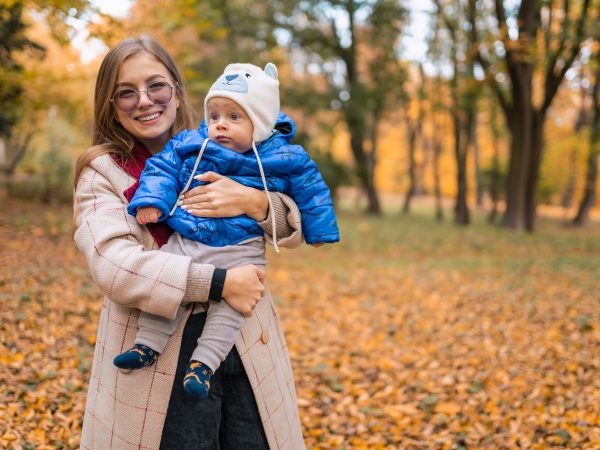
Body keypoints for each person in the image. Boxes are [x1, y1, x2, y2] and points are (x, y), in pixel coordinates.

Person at [73, 36, 306, 449]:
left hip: (246, 348)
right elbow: (115, 266)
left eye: (156, 85)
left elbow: (296, 226)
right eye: (126, 93)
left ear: (177, 93)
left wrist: (254, 202)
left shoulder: (228, 143)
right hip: (160, 359)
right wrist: (217, 282)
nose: (145, 100)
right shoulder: (102, 173)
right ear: (110, 106)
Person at [112, 62, 339, 401]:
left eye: (235, 117)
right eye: (215, 115)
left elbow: (312, 189)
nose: (220, 125)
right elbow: (163, 168)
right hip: (189, 236)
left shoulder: (286, 156)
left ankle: (203, 364)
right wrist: (152, 201)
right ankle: (147, 344)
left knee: (233, 307)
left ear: (260, 122)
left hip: (242, 247)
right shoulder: (192, 142)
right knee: (165, 278)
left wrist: (319, 230)